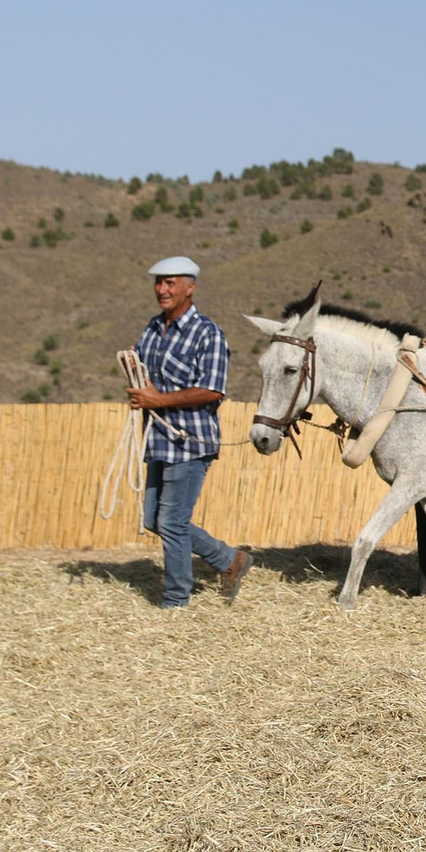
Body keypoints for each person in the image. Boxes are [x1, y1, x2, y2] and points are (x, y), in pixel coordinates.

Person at [129, 256, 252, 609]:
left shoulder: (208, 334)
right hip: (158, 439)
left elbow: (213, 391)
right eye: (158, 282)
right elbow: (144, 373)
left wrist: (158, 399)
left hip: (190, 441)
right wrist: (139, 387)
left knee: (171, 520)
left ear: (190, 287)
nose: (162, 289)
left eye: (170, 283)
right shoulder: (152, 329)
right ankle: (229, 560)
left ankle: (175, 600)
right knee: (155, 518)